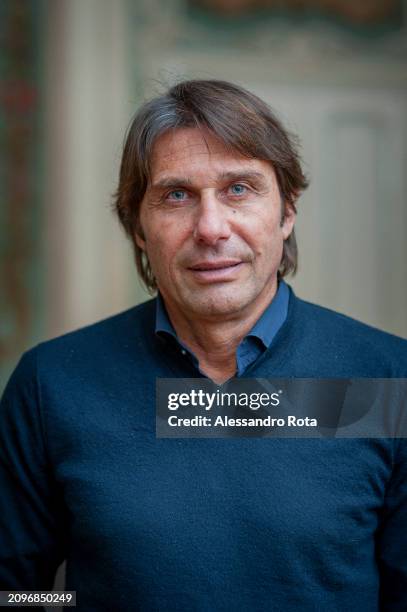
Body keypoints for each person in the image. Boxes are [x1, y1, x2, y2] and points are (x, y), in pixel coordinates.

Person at [0, 79, 406, 611]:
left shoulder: (385, 381)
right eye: (176, 195)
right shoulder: (52, 385)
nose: (211, 228)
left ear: (286, 212)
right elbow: (13, 591)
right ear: (139, 226)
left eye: (239, 188)